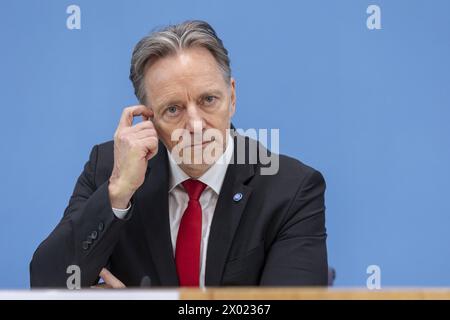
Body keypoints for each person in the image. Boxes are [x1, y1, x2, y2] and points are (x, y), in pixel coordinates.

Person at [30, 20, 328, 288]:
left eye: (208, 99)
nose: (196, 125)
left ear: (232, 97)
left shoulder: (290, 189)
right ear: (149, 118)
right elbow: (47, 284)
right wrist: (119, 193)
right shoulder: (109, 169)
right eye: (173, 109)